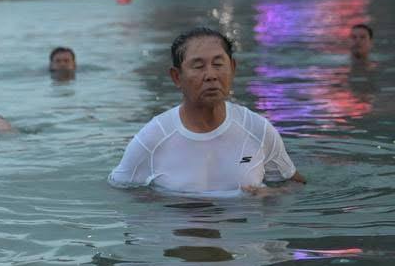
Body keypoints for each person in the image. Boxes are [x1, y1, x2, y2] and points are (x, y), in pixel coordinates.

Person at [108, 27, 306, 196]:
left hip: (244, 227)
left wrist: (273, 194)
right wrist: (164, 203)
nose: (211, 75)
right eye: (198, 67)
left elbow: (295, 185)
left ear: (233, 68)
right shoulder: (152, 139)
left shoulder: (257, 129)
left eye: (218, 65)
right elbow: (119, 192)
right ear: (176, 77)